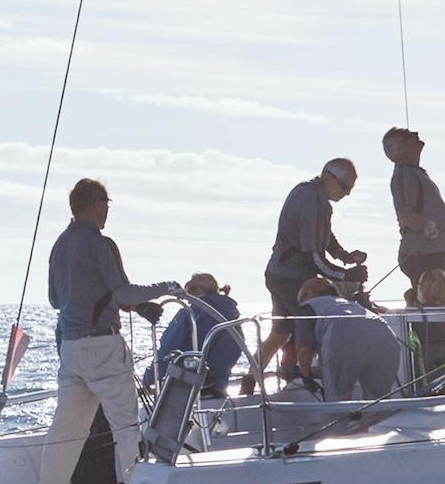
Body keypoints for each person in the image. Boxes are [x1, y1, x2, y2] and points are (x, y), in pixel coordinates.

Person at [35, 177, 180, 484]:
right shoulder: (101, 244)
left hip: (70, 349)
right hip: (102, 348)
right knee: (126, 427)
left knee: (66, 433)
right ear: (96, 204)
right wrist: (166, 287)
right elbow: (123, 292)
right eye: (107, 206)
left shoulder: (59, 245)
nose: (107, 213)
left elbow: (56, 300)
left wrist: (119, 303)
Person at [250, 159, 366, 392]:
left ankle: (249, 382)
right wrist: (347, 275)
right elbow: (313, 258)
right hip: (292, 279)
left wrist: (344, 256)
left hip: (277, 273)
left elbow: (325, 235)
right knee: (315, 330)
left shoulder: (312, 195)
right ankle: (313, 382)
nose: (347, 194)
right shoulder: (312, 204)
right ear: (328, 177)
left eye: (350, 189)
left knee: (280, 334)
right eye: (344, 187)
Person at [383, 127, 445, 308]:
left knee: (437, 299)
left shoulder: (415, 173)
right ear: (399, 149)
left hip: (432, 253)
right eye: (410, 136)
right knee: (433, 301)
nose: (416, 135)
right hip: (421, 255)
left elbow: (433, 215)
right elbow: (405, 215)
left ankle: (415, 306)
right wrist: (424, 226)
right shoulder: (403, 175)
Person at [300, 278, 403, 402]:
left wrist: (306, 377)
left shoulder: (307, 307)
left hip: (342, 332)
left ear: (308, 294)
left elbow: (304, 351)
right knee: (378, 402)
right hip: (384, 332)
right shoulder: (348, 304)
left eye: (300, 299)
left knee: (337, 404)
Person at [153, 272, 247, 401]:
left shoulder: (189, 315)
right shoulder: (232, 317)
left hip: (191, 390)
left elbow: (168, 347)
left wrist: (149, 379)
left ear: (195, 291)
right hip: (219, 390)